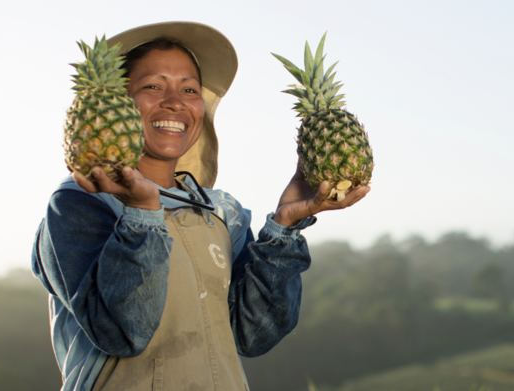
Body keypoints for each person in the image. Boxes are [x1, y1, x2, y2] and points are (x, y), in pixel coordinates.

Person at [31, 21, 369, 391]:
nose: (174, 101)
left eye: (189, 89)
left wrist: (283, 228)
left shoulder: (220, 211)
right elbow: (122, 332)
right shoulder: (77, 206)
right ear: (113, 104)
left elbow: (255, 335)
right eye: (153, 86)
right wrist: (143, 214)